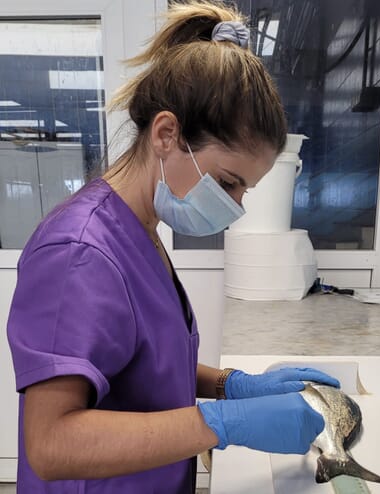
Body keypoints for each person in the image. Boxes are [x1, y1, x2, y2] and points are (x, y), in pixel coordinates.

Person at [7, 1, 339, 493]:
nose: (236, 205)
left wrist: (231, 385)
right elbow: (52, 443)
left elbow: (143, 365)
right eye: (229, 183)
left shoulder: (140, 228)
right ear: (166, 134)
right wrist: (226, 423)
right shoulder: (79, 253)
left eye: (245, 189)